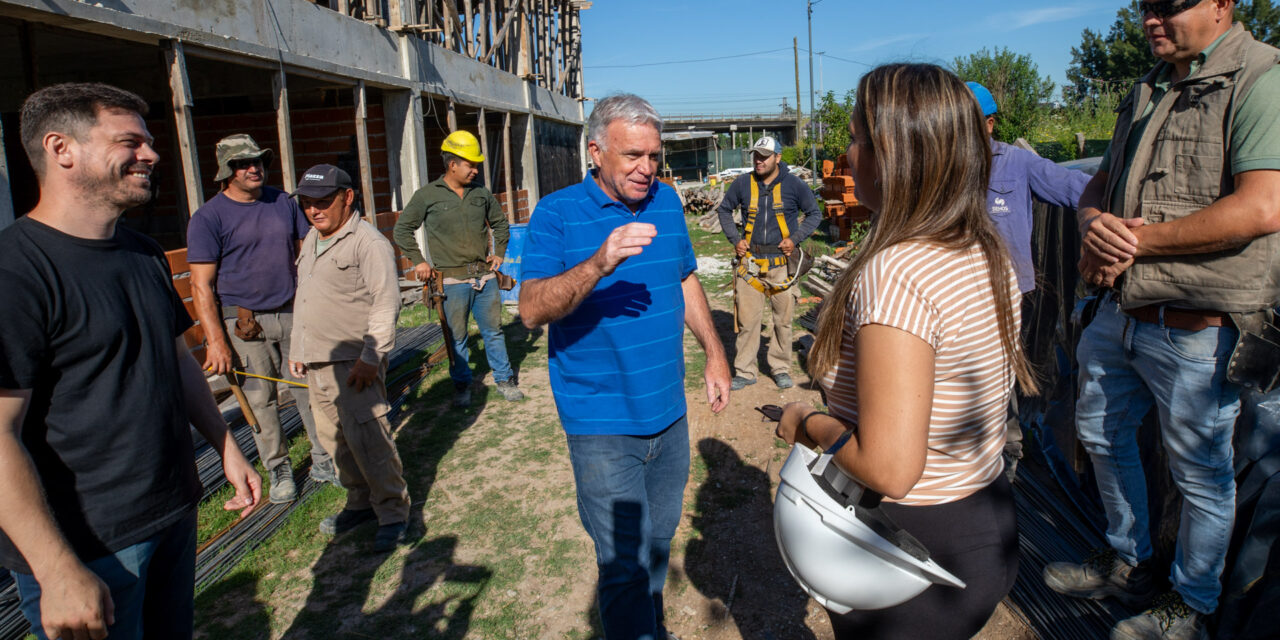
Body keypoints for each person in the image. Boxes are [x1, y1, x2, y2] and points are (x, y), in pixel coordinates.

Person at [1043, 2, 1280, 638]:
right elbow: (1098, 186)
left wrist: (1134, 243)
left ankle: (1190, 605)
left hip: (1199, 326)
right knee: (1100, 435)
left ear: (1221, 4)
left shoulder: (1262, 78)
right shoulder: (1145, 88)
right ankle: (1129, 562)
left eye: (1168, 6)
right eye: (1145, 6)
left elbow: (1262, 207)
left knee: (1201, 475)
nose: (1151, 19)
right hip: (1120, 310)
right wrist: (1093, 225)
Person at [774, 63, 1036, 639]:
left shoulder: (897, 271)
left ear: (891, 154)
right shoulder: (981, 245)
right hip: (983, 518)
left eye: (855, 139)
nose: (847, 155)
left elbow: (889, 468)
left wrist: (805, 421)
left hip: (904, 550)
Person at [0, 82, 260, 640]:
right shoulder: (14, 273)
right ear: (60, 148)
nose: (152, 154)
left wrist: (225, 444)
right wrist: (55, 568)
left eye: (149, 142)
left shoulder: (142, 253)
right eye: (130, 142)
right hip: (89, 546)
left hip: (172, 511)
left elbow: (174, 358)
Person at [518, 93, 731, 640]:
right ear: (596, 152)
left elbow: (684, 277)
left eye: (654, 156)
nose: (647, 168)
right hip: (601, 423)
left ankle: (648, 624)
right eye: (633, 155)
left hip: (668, 413)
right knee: (622, 562)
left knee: (657, 544)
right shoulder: (557, 213)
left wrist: (714, 352)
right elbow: (531, 310)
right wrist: (598, 263)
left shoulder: (667, 201)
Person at [187, 133, 336, 504]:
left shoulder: (283, 202)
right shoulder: (208, 218)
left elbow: (308, 253)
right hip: (245, 325)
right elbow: (201, 285)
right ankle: (278, 469)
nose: (253, 168)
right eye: (242, 164)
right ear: (227, 171)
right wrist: (216, 342)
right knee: (260, 400)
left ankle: (324, 458)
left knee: (310, 389)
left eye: (257, 161)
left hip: (293, 312)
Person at [965, 81, 1092, 480]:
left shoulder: (1018, 165)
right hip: (952, 293)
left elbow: (1080, 190)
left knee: (998, 376)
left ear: (989, 124)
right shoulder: (940, 168)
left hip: (1001, 297)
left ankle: (1006, 457)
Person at [288, 164, 412, 553]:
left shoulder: (368, 243)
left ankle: (393, 513)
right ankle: (360, 503)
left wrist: (371, 358)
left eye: (323, 201)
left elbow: (386, 303)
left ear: (348, 197)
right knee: (335, 440)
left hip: (354, 364)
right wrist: (297, 348)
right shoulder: (313, 238)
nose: (314, 210)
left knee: (370, 440)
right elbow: (304, 296)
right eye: (307, 203)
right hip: (317, 361)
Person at [393, 130, 522, 408]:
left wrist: (499, 253)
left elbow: (500, 224)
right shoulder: (427, 195)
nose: (476, 170)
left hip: (485, 278)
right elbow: (402, 230)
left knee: (493, 331)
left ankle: (504, 379)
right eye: (470, 165)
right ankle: (462, 385)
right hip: (451, 282)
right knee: (457, 338)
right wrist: (419, 261)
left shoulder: (481, 194)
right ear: (452, 164)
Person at [715, 135, 822, 391]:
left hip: (782, 266)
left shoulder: (794, 185)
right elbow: (724, 210)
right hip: (750, 265)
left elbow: (815, 214)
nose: (759, 160)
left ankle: (780, 367)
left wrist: (795, 239)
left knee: (782, 321)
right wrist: (735, 240)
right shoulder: (743, 183)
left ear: (778, 158)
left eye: (764, 156)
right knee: (748, 322)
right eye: (756, 155)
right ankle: (745, 371)